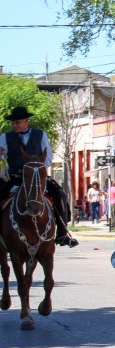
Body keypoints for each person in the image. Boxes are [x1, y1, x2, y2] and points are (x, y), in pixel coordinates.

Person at [0, 106, 77, 247]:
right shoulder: (5, 137)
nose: (14, 125)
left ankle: (62, 233)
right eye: (13, 122)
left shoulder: (40, 135)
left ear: (26, 121)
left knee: (60, 195)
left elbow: (48, 158)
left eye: (17, 122)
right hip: (16, 177)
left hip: (37, 178)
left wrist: (38, 168)